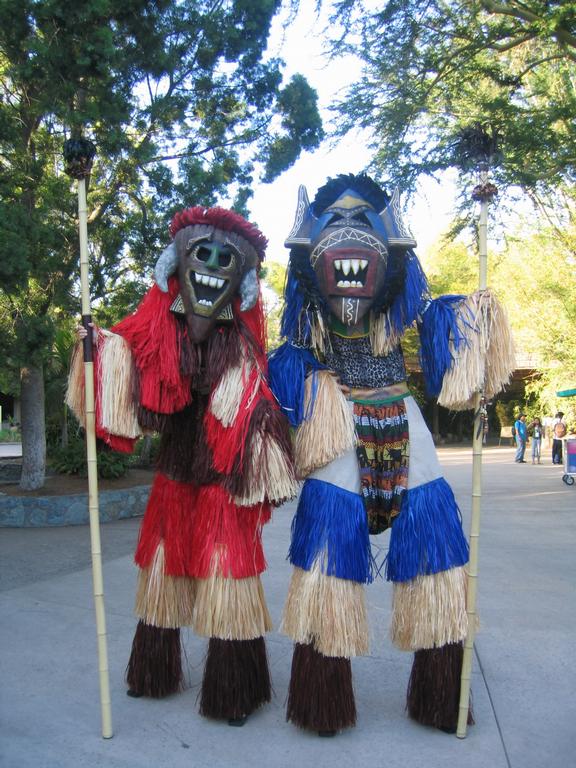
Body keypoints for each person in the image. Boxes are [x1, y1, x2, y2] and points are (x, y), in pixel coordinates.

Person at [268, 173, 515, 735]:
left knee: (437, 568)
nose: (349, 230)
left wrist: (473, 322)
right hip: (338, 444)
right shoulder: (301, 349)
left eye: (363, 220)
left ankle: (439, 697)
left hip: (407, 432)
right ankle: (321, 702)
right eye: (334, 220)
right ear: (309, 257)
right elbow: (279, 396)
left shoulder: (413, 317)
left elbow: (451, 356)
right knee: (328, 573)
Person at [68, 206, 297, 725]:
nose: (213, 263)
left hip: (221, 478)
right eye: (203, 253)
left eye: (225, 258)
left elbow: (255, 408)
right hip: (176, 471)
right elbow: (142, 390)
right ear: (179, 264)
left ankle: (234, 689)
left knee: (228, 577)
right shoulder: (157, 331)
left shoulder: (242, 347)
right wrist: (95, 347)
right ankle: (154, 672)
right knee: (162, 573)